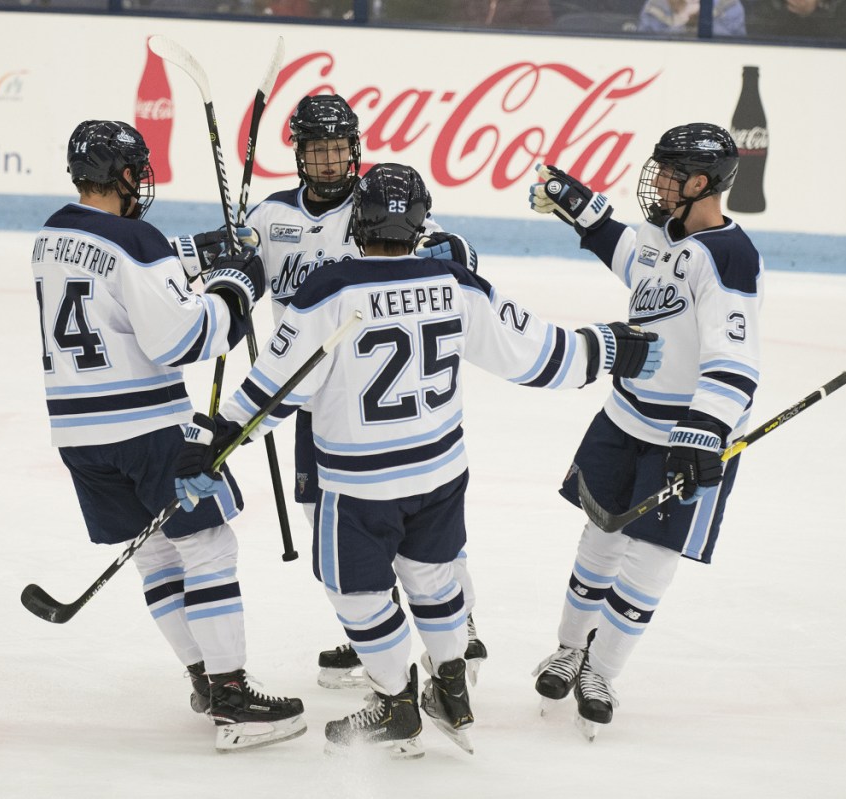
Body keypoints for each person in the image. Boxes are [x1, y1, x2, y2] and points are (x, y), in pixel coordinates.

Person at [171, 163, 663, 758]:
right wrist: (609, 347)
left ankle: (396, 702)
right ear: (421, 223)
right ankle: (451, 687)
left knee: (354, 591)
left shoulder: (330, 292)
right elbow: (538, 356)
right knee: (433, 579)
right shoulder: (455, 284)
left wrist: (218, 437)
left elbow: (275, 389)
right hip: (440, 475)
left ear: (358, 222)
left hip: (359, 486)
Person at [31, 119, 305, 752]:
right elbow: (185, 338)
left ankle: (203, 679)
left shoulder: (49, 235)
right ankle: (233, 694)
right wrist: (234, 290)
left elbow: (116, 266)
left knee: (155, 556)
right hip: (148, 428)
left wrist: (201, 250)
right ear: (124, 174)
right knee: (208, 547)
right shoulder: (138, 239)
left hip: (78, 434)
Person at [237, 93, 489, 688]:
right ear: (298, 154)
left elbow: (460, 259)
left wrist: (455, 251)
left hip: (392, 403)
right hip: (312, 397)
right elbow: (241, 281)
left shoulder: (383, 203)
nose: (329, 160)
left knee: (426, 532)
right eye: (316, 148)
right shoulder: (268, 219)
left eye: (338, 147)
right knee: (324, 517)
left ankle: (463, 628)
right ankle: (381, 626)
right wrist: (231, 266)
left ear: (355, 148)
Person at [528, 123, 763, 740]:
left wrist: (704, 433)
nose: (655, 182)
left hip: (686, 437)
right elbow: (631, 257)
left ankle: (601, 671)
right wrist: (582, 213)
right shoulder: (665, 233)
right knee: (600, 536)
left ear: (701, 182)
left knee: (652, 558)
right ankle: (568, 650)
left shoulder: (730, 255)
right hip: (625, 418)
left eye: (668, 172)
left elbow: (736, 362)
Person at [746, 0, 846, 40]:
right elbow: (757, 35)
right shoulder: (771, 3)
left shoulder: (839, 4)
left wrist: (812, 15)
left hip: (830, 68)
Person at [637, 0, 746, 36]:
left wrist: (704, 20)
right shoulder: (656, 6)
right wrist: (681, 23)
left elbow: (739, 49)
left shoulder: (729, 5)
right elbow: (645, 50)